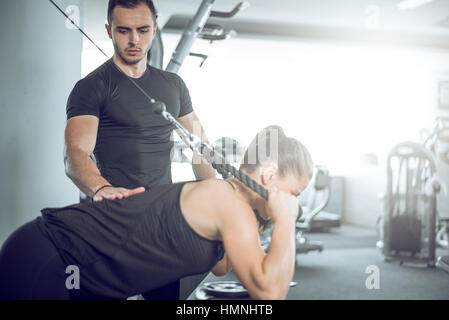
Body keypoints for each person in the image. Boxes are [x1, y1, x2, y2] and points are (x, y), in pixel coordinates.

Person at [0, 126, 313, 300]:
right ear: (270, 175)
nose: (293, 204)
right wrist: (285, 220)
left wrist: (268, 217)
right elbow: (269, 292)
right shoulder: (226, 201)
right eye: (294, 194)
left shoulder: (234, 204)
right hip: (48, 257)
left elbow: (222, 266)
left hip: (81, 280)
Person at [64, 0, 216, 298]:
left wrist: (216, 192)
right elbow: (75, 155)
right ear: (109, 31)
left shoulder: (173, 85)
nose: (134, 40)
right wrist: (101, 188)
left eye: (143, 30)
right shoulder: (92, 87)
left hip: (160, 224)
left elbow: (200, 144)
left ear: (154, 29)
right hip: (111, 220)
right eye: (124, 30)